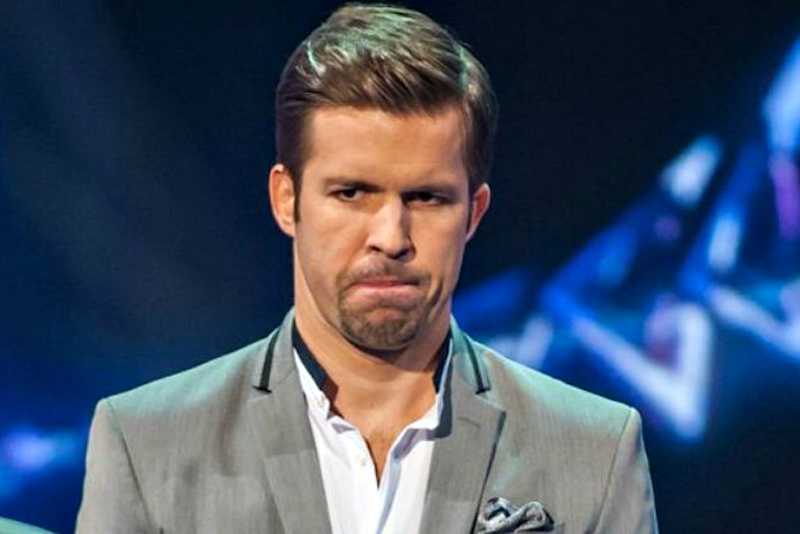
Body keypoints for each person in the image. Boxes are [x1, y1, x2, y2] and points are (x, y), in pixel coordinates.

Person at [76, 4, 658, 533]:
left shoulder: (594, 451)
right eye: (352, 193)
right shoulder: (148, 446)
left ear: (474, 213)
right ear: (286, 200)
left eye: (427, 198)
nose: (391, 238)